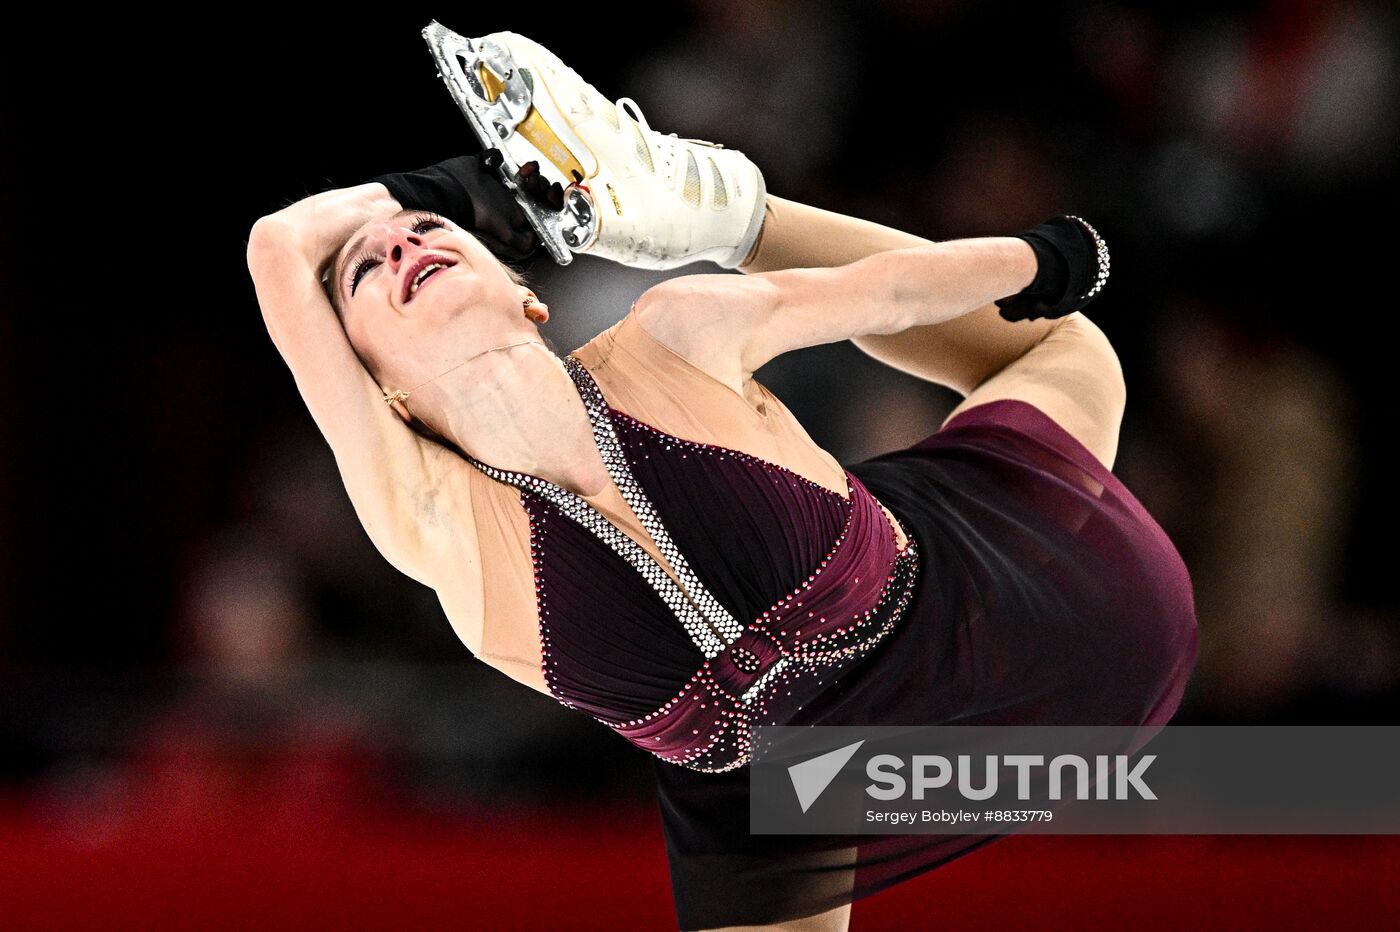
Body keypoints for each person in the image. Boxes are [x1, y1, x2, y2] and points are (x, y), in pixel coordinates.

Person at [246, 30, 1198, 932]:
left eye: (423, 229)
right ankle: (712, 212)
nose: (403, 245)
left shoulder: (675, 329)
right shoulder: (427, 516)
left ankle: (712, 211)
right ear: (386, 398)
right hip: (776, 793)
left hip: (970, 616)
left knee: (1071, 349)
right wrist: (455, 187)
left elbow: (895, 291)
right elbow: (277, 249)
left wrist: (1051, 255)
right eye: (368, 271)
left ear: (526, 289)